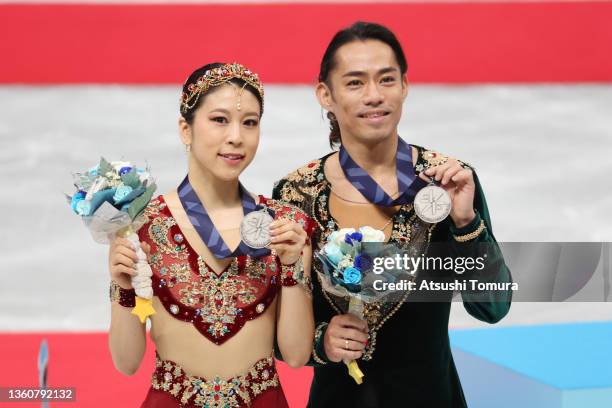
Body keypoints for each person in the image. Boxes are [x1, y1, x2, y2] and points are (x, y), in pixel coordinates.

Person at [272, 22, 513, 407]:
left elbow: (492, 307)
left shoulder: (446, 183)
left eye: (386, 80)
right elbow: (276, 330)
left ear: (404, 86)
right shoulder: (297, 193)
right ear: (325, 95)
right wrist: (323, 341)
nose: (374, 96)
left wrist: (466, 223)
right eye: (354, 83)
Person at [107, 62, 315, 407]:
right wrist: (123, 285)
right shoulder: (141, 226)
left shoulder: (284, 227)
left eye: (250, 122)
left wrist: (292, 266)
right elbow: (127, 363)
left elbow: (295, 355)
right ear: (185, 129)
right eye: (220, 120)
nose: (236, 136)